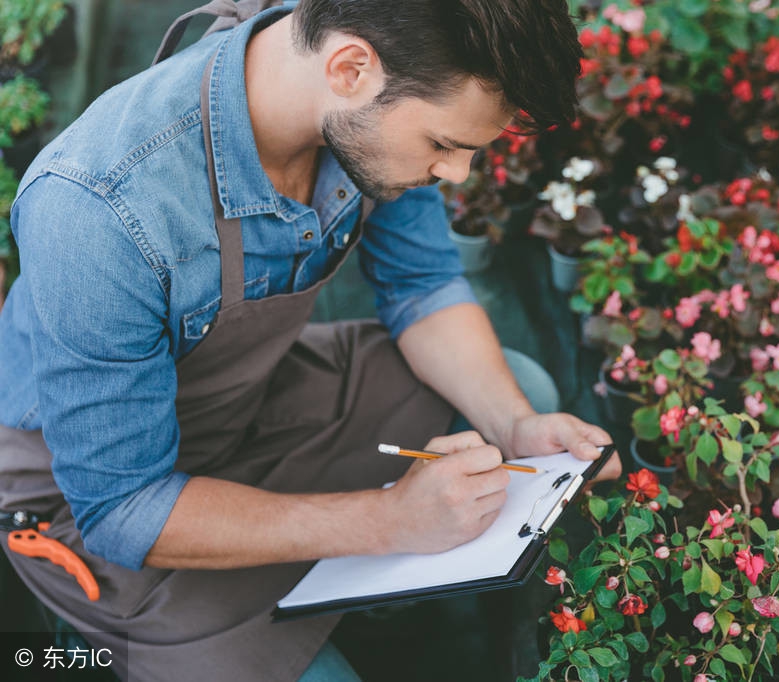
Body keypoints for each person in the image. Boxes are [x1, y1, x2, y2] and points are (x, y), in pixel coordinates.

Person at [0, 1, 621, 680]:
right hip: (102, 502)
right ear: (349, 68)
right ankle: (96, 638)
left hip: (252, 399)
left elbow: (421, 283)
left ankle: (354, 585)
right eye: (444, 145)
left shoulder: (369, 78)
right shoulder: (98, 210)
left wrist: (519, 424)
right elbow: (123, 511)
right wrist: (388, 520)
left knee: (518, 398)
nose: (457, 174)